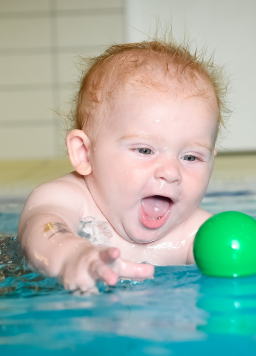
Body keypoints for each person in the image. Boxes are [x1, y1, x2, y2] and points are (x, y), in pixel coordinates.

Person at [18, 36, 229, 294]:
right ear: (85, 153)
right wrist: (73, 255)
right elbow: (41, 230)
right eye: (144, 150)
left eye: (190, 157)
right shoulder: (65, 198)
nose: (171, 173)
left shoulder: (196, 232)